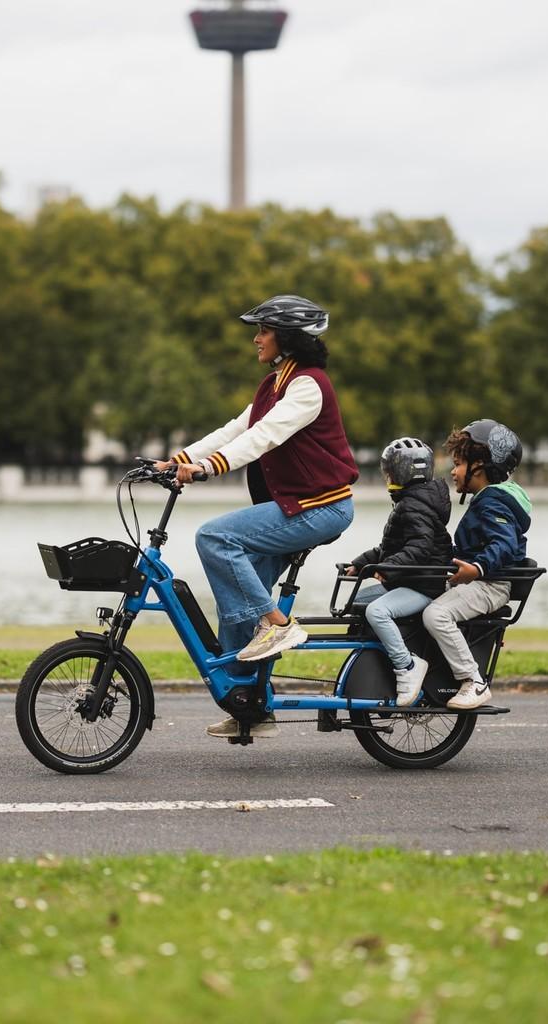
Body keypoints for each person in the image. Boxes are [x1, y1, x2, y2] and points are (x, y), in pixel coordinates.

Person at [159, 294, 358, 738]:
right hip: (295, 507)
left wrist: (209, 468)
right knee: (235, 602)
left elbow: (265, 436)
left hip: (322, 507)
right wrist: (180, 460)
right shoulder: (273, 386)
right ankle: (250, 705)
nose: (256, 339)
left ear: (287, 339)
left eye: (263, 331)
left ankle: (278, 626)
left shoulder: (308, 385)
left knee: (215, 538)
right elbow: (237, 428)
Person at [421, 419, 531, 710]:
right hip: (480, 580)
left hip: (490, 584)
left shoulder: (492, 504)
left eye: (458, 463)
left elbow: (504, 545)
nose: (453, 472)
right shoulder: (486, 501)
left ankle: (474, 682)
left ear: (479, 466)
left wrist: (477, 568)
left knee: (436, 615)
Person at [346, 437, 452, 705]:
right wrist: (361, 564)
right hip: (410, 581)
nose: (386, 476)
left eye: (389, 470)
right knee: (357, 603)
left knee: (376, 611)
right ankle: (378, 662)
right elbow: (388, 549)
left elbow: (421, 546)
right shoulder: (411, 502)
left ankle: (407, 666)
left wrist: (387, 569)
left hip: (423, 587)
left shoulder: (415, 505)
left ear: (403, 472)